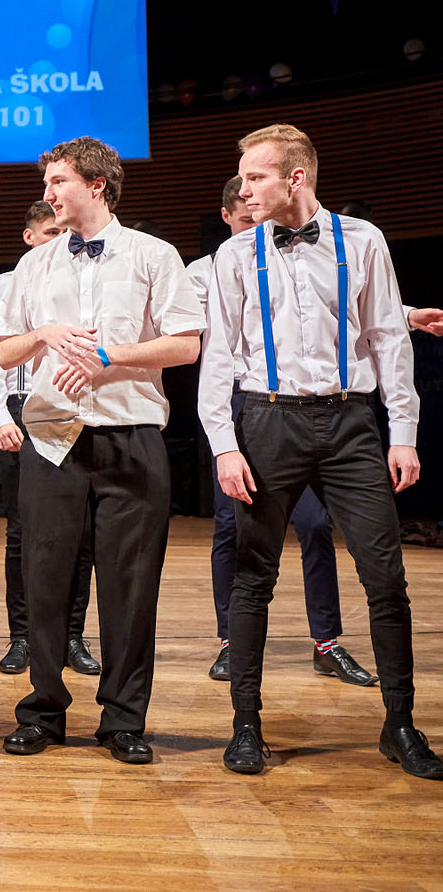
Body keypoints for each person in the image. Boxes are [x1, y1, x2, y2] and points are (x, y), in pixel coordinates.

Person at [201, 124, 439, 780]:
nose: (245, 190)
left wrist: (404, 432)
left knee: (385, 578)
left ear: (295, 177)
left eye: (256, 177)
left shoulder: (362, 240)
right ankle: (246, 726)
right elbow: (219, 355)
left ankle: (400, 724)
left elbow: (389, 337)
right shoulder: (234, 254)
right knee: (254, 576)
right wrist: (223, 445)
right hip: (267, 419)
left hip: (349, 422)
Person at [0, 136, 205, 766]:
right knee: (46, 576)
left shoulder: (153, 255)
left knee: (130, 584)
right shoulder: (35, 264)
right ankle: (43, 710)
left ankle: (123, 718)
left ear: (96, 185)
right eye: (47, 183)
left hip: (130, 432)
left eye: (58, 181)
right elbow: (4, 352)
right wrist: (44, 334)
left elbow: (186, 344)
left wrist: (110, 358)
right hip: (52, 435)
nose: (48, 193)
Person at [187, 176, 373, 686]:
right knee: (232, 527)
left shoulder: (302, 250)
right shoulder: (205, 271)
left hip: (294, 407)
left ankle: (326, 642)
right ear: (227, 217)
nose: (257, 224)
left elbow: (330, 308)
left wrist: (404, 315)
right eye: (246, 218)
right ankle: (232, 641)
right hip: (236, 404)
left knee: (314, 524)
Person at [0, 201, 98, 676]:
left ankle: (72, 635)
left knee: (81, 529)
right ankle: (23, 636)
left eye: (61, 233)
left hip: (74, 403)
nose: (57, 240)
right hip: (21, 408)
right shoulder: (5, 284)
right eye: (49, 233)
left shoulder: (82, 277)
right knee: (22, 531)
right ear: (29, 237)